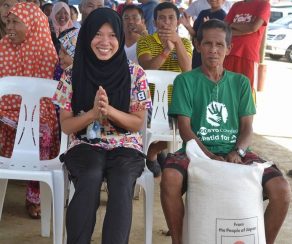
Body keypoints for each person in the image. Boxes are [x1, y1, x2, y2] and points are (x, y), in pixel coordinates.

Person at [160, 19, 291, 244]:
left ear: (229, 49)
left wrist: (238, 152)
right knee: (170, 177)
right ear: (198, 45)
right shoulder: (185, 81)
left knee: (281, 189)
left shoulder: (241, 83)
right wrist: (210, 158)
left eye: (220, 45)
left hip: (235, 152)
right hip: (196, 152)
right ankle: (178, 241)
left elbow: (248, 128)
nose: (213, 50)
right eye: (208, 44)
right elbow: (185, 129)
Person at [52, 8, 152, 244]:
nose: (105, 42)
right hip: (84, 142)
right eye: (98, 34)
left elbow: (137, 123)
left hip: (126, 144)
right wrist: (93, 114)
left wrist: (109, 112)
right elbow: (67, 126)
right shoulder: (71, 74)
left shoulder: (135, 73)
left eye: (112, 35)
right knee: (90, 174)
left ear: (120, 37)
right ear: (87, 36)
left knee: (121, 179)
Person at [0, 2, 59, 219]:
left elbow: (48, 97)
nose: (10, 28)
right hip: (5, 108)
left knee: (41, 130)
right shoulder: (3, 47)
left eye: (16, 22)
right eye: (8, 22)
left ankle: (34, 196)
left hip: (38, 112)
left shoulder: (45, 50)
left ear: (33, 24)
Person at [137, 1, 192, 177]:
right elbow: (147, 70)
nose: (166, 22)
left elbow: (187, 70)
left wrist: (177, 44)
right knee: (153, 127)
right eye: (162, 18)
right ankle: (156, 152)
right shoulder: (145, 41)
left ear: (177, 22)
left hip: (176, 101)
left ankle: (153, 152)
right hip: (150, 101)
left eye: (171, 18)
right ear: (155, 22)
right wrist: (166, 51)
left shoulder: (185, 43)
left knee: (188, 128)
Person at [223, 0, 270, 98]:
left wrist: (232, 26)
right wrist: (245, 29)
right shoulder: (237, 5)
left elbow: (254, 27)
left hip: (248, 55)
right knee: (225, 89)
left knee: (246, 93)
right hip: (228, 53)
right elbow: (224, 27)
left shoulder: (263, 4)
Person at [180, 0, 226, 68]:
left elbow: (220, 40)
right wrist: (188, 26)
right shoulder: (203, 13)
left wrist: (208, 30)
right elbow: (195, 34)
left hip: (211, 54)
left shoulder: (223, 16)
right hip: (198, 53)